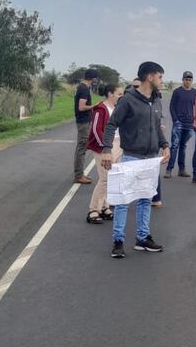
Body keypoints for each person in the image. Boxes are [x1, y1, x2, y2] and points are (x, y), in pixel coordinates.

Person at [101, 62, 170, 259]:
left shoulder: (156, 100)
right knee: (123, 201)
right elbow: (111, 124)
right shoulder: (128, 100)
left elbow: (157, 126)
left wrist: (165, 145)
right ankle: (118, 241)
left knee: (145, 200)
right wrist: (107, 149)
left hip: (150, 159)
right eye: (160, 77)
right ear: (150, 77)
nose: (161, 81)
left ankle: (142, 238)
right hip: (131, 157)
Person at [86, 84, 124, 224]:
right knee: (105, 179)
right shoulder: (100, 109)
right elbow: (96, 130)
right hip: (104, 146)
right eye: (119, 94)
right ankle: (93, 210)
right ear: (110, 94)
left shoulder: (118, 109)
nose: (121, 97)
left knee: (112, 179)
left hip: (118, 144)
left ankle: (104, 207)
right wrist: (105, 148)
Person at [165, 71, 196, 178]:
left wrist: (194, 120)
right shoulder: (177, 92)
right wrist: (175, 120)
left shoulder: (194, 92)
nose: (188, 81)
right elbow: (172, 106)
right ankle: (169, 169)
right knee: (174, 146)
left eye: (189, 80)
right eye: (186, 79)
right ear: (183, 80)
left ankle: (182, 169)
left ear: (192, 81)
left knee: (183, 146)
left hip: (189, 124)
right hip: (179, 122)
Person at [73, 68, 100, 184]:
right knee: (82, 147)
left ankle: (80, 174)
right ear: (93, 78)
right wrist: (94, 106)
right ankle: (79, 175)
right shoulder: (84, 89)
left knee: (82, 147)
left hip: (83, 120)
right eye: (96, 78)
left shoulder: (82, 87)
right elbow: (81, 107)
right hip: (83, 121)